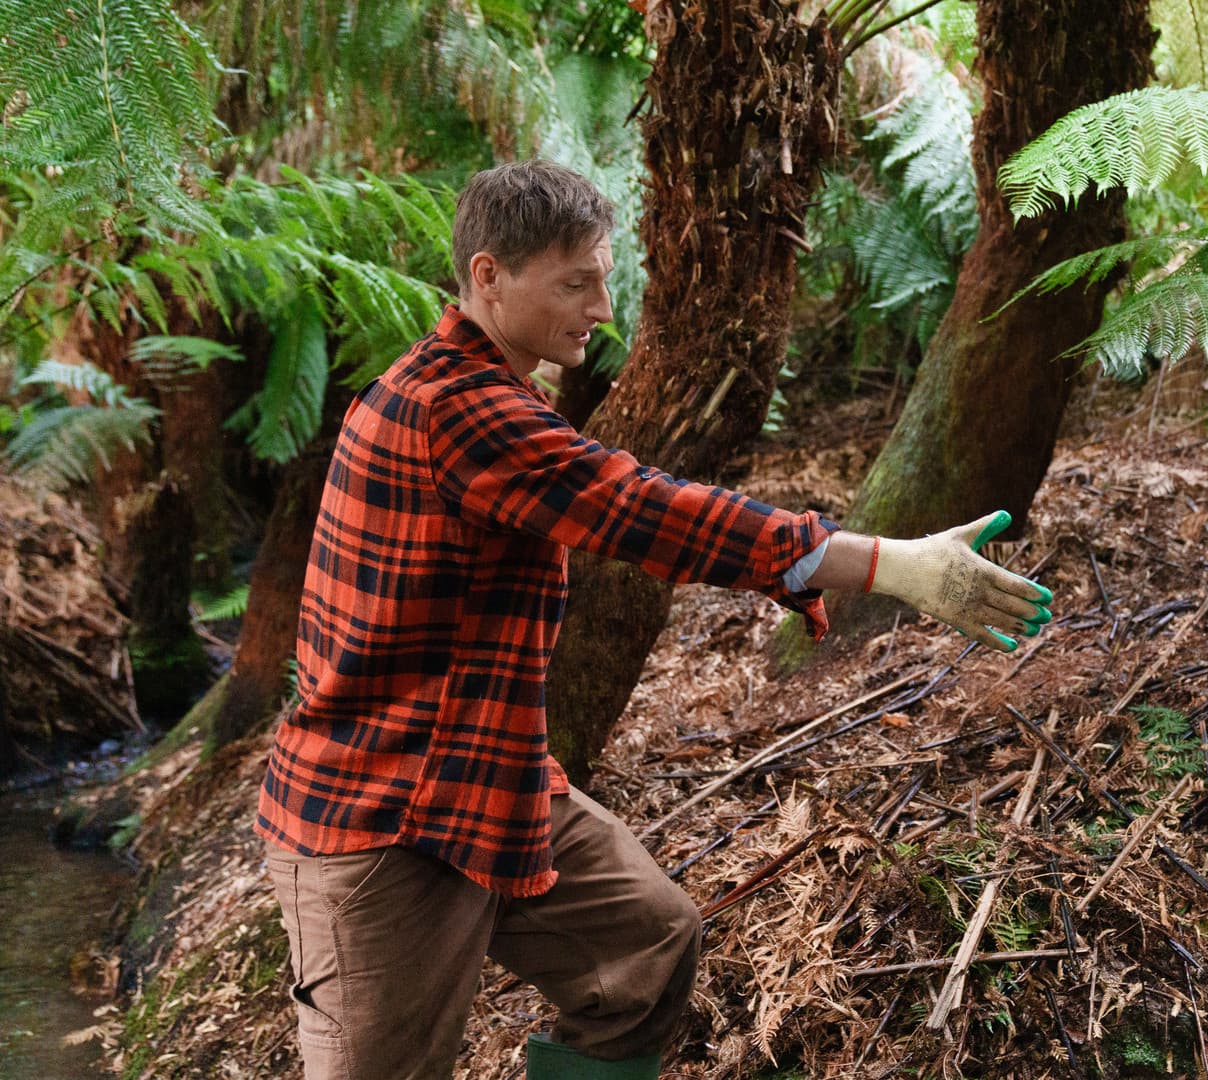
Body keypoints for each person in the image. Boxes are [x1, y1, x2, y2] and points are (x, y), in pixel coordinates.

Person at [254, 159, 1053, 1080]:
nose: (600, 306)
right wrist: (892, 563)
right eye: (574, 283)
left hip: (488, 782)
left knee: (649, 946)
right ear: (488, 278)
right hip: (383, 820)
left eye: (602, 277)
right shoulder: (457, 410)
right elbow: (647, 511)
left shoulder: (488, 389)